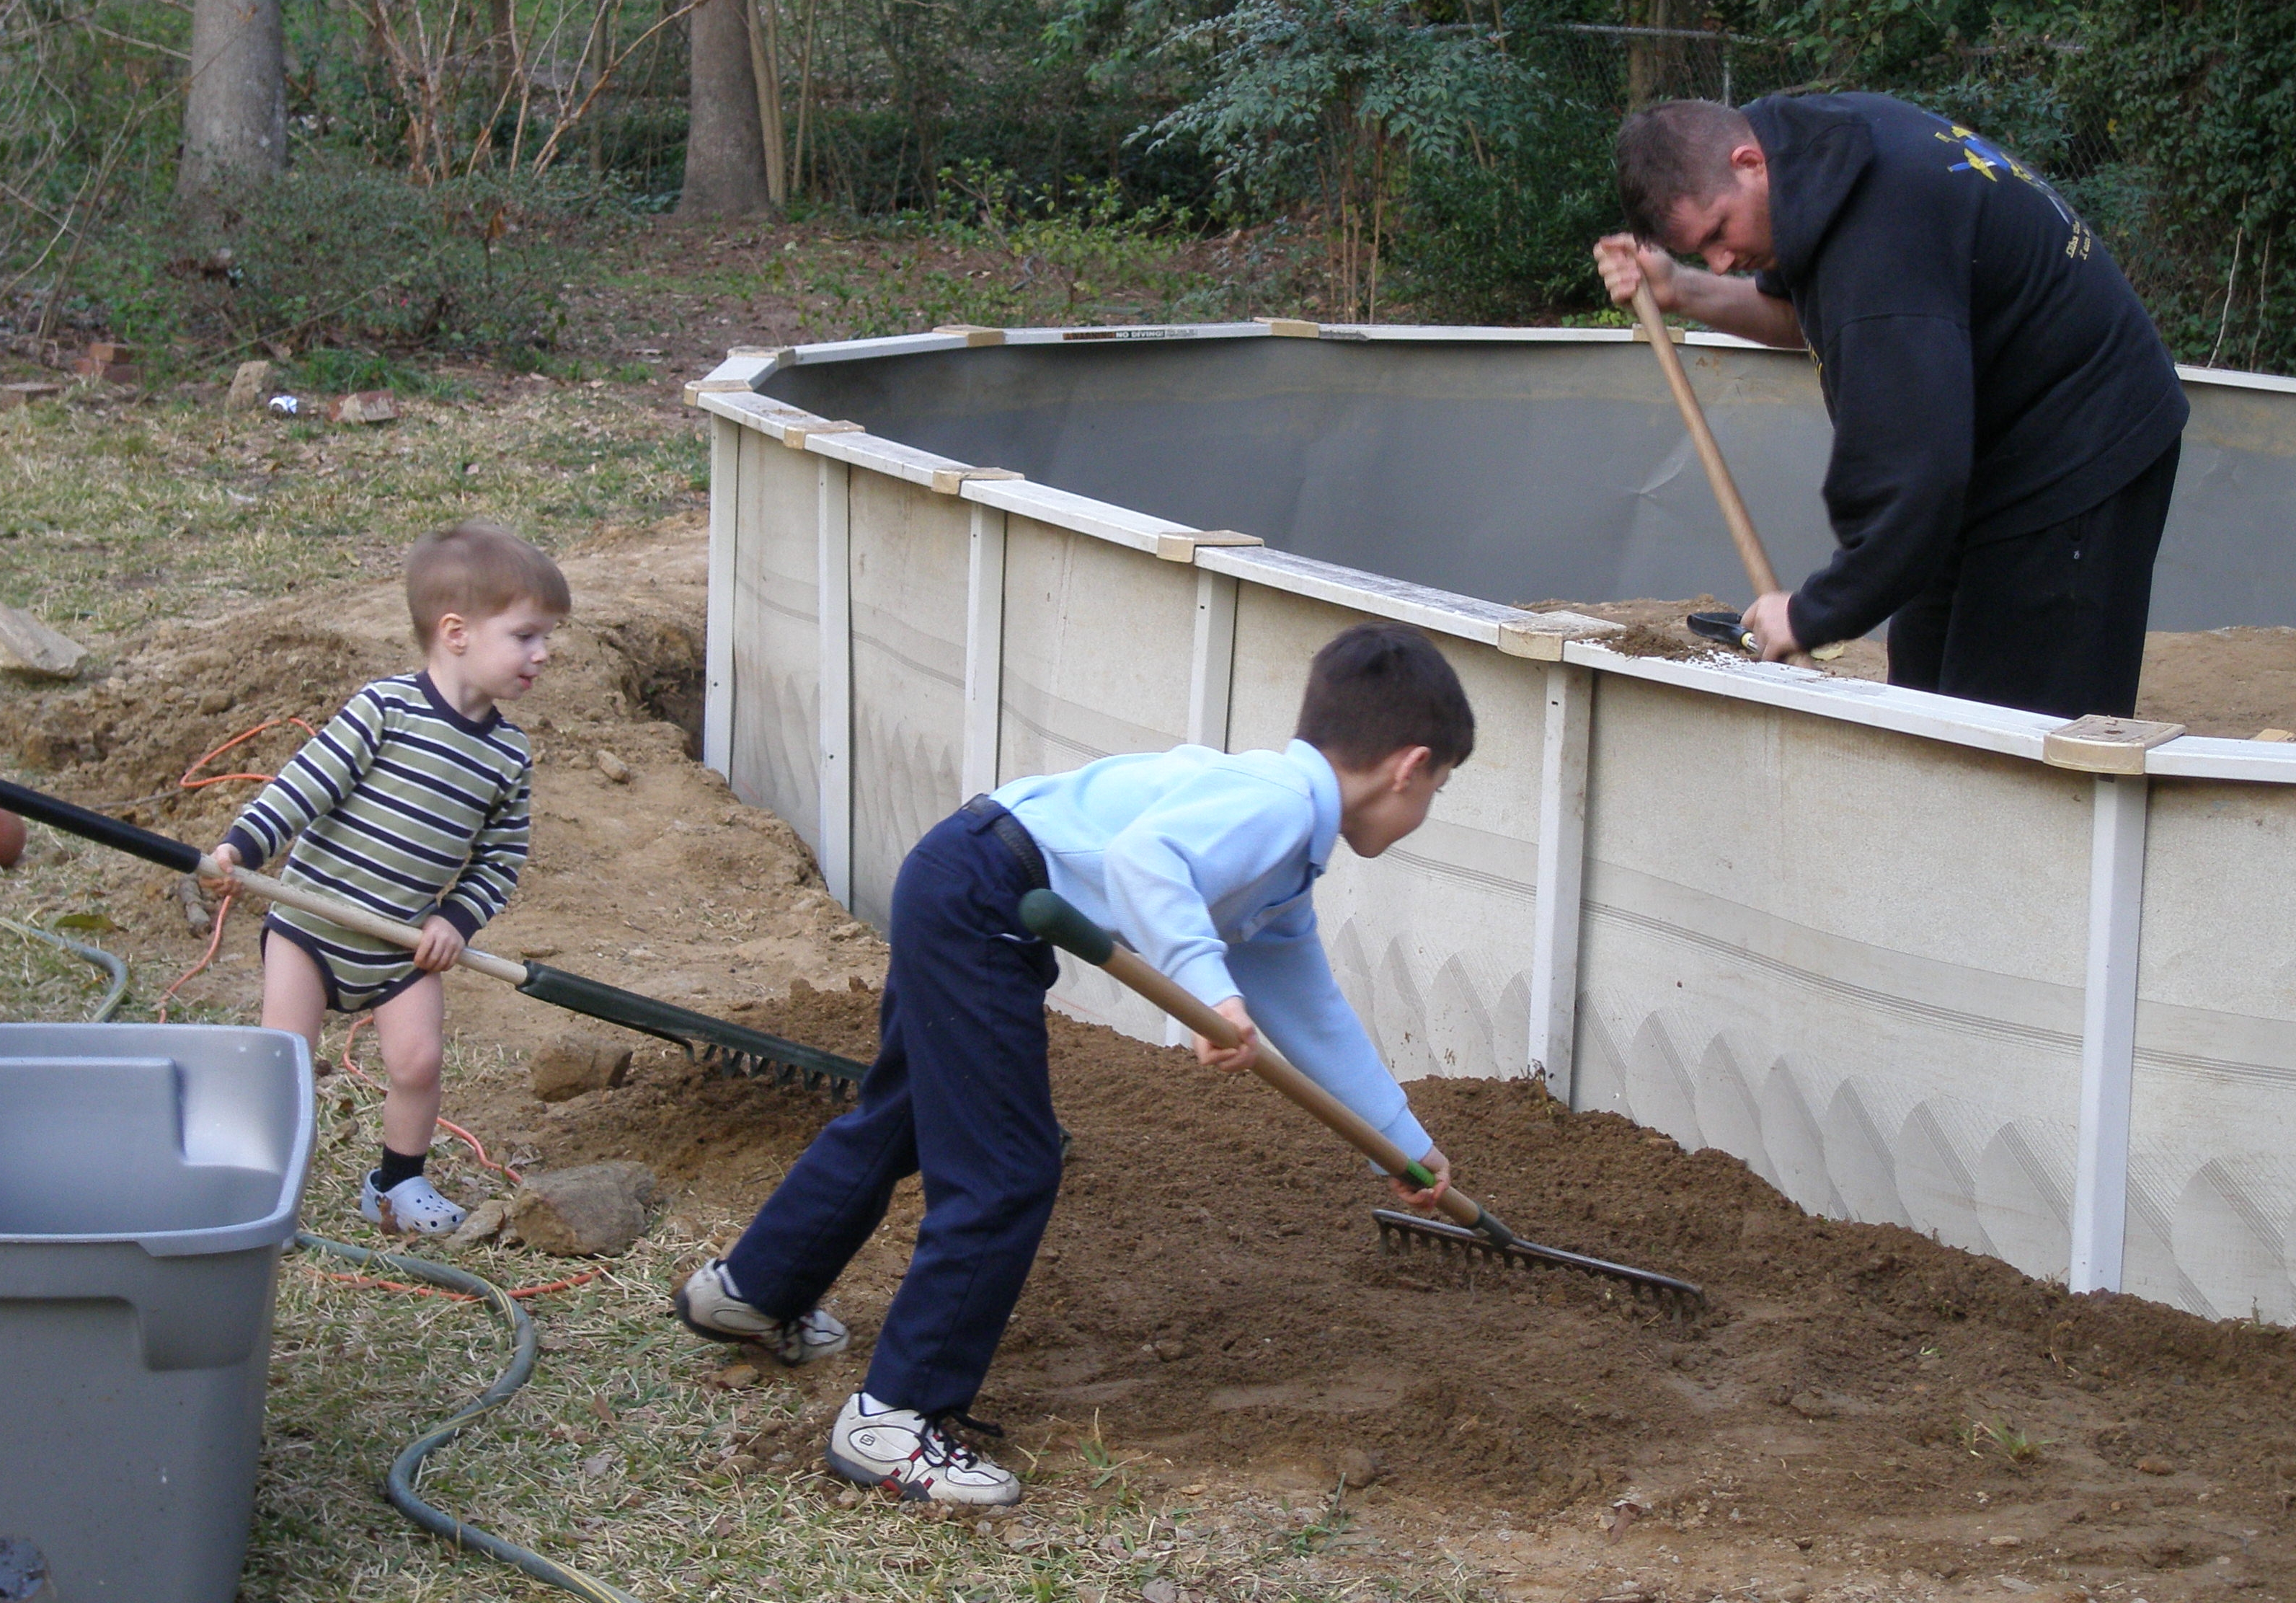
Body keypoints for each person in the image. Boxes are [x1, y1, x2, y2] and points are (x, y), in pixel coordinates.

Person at [670, 621, 1475, 1506]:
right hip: (986, 896)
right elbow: (1145, 860)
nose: (1425, 810)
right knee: (1007, 1169)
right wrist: (1209, 989)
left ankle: (751, 1291)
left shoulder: (1283, 850)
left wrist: (1397, 1140)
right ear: (1410, 766)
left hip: (968, 879)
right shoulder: (1276, 803)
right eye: (1437, 789)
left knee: (906, 1111)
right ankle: (894, 1419)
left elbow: (1305, 1000)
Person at [1593, 94, 2189, 720]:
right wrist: (1683, 291)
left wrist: (1811, 612)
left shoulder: (1879, 232)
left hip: (2081, 448)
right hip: (1989, 444)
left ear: (1748, 163)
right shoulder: (1809, 157)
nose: (1721, 259)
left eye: (1718, 233)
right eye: (1699, 254)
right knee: (1927, 700)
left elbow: (1916, 478)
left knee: (2015, 731)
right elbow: (1815, 314)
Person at [210, 521, 567, 1236]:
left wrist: (455, 921)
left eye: (546, 637)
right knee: (286, 1060)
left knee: (418, 1060)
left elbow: (500, 860)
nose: (544, 653)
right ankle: (265, 1186)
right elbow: (302, 787)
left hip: (401, 945)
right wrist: (243, 848)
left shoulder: (508, 756)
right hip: (309, 928)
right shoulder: (385, 710)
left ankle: (395, 1183)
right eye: (526, 635)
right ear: (457, 632)